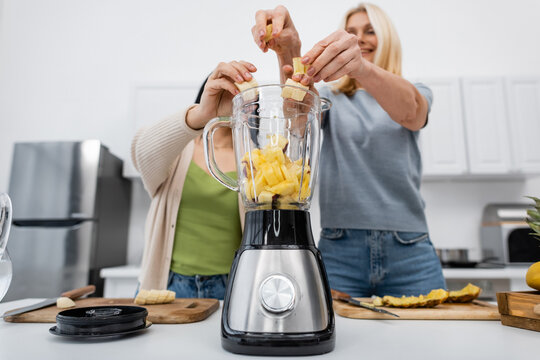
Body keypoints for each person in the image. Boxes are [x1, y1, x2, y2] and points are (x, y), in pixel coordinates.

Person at [251, 3, 446, 297]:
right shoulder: (330, 100)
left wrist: (361, 68)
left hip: (410, 250)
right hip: (340, 249)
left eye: (370, 31)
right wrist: (288, 48)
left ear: (387, 39)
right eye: (352, 32)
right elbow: (299, 118)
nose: (359, 38)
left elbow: (412, 112)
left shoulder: (415, 91)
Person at [131, 60, 257, 299]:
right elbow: (142, 152)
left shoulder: (255, 160)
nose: (232, 97)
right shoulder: (179, 152)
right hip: (166, 284)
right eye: (225, 90)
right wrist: (201, 115)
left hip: (232, 287)